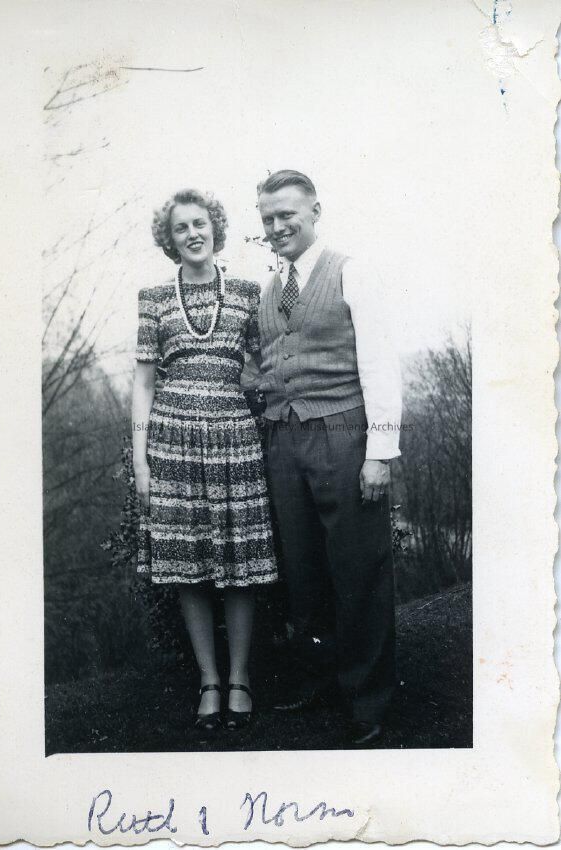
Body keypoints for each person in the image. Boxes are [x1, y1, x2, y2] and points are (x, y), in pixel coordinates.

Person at [256, 170, 402, 747]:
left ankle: (368, 699)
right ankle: (320, 680)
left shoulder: (350, 271)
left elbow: (380, 364)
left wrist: (379, 453)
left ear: (314, 211)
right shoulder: (270, 287)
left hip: (342, 433)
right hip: (283, 438)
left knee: (358, 568)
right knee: (303, 569)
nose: (277, 226)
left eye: (287, 214)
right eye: (268, 218)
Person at [132, 188, 277, 733]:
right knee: (187, 565)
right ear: (169, 241)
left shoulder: (245, 294)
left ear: (215, 227)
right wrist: (142, 462)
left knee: (239, 564)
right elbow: (143, 383)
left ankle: (239, 678)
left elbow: (267, 365)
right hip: (172, 443)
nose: (192, 234)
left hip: (235, 440)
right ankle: (209, 680)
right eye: (181, 228)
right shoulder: (153, 299)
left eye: (200, 223)